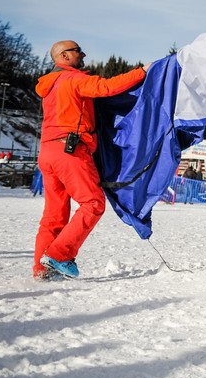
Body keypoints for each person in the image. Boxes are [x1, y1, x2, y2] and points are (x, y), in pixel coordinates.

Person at [32, 41, 149, 281]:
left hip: (47, 152)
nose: (83, 54)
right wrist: (142, 72)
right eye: (78, 51)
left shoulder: (50, 85)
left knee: (54, 215)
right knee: (93, 203)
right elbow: (107, 87)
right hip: (70, 151)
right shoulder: (72, 79)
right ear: (64, 56)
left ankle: (42, 270)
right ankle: (59, 255)